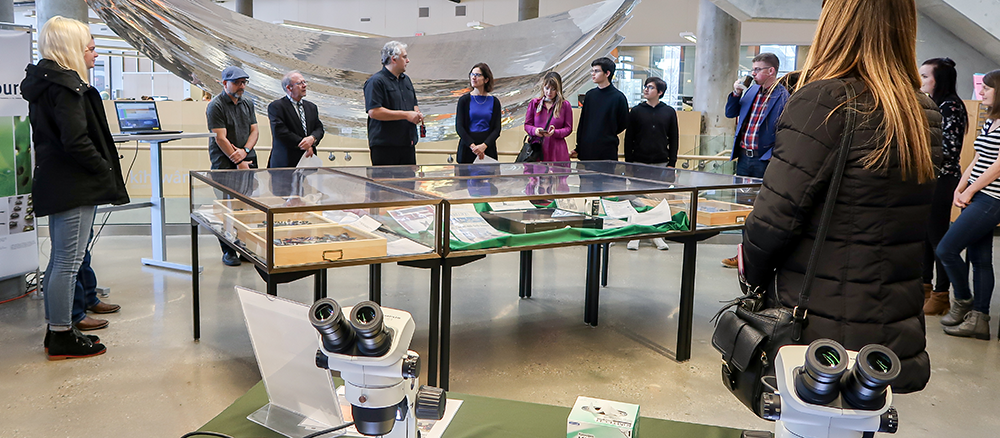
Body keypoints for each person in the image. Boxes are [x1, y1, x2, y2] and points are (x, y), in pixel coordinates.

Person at [741, 0, 941, 393]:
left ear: (834, 23)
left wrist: (752, 277)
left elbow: (772, 222)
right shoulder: (923, 112)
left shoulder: (825, 101)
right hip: (891, 322)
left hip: (819, 322)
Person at [20, 16, 129, 359]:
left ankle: (58, 329)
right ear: (71, 48)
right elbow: (77, 141)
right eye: (89, 46)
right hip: (75, 183)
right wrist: (103, 169)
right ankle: (62, 334)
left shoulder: (47, 84)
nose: (93, 52)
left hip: (58, 181)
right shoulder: (66, 87)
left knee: (61, 260)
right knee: (69, 261)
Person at [936, 70, 1000, 340]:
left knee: (946, 249)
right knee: (980, 259)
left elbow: (998, 167)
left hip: (992, 198)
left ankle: (962, 300)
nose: (981, 92)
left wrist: (971, 189)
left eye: (987, 88)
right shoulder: (990, 121)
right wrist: (960, 188)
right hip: (975, 194)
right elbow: (978, 158)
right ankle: (979, 319)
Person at [720, 52, 790, 268]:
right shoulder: (750, 92)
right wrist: (735, 93)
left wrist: (772, 157)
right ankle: (742, 255)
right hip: (744, 159)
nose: (753, 73)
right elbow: (730, 113)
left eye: (758, 69)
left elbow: (784, 130)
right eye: (752, 69)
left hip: (763, 161)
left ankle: (757, 257)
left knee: (762, 210)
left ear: (771, 71)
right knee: (743, 209)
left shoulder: (782, 96)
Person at [919, 58, 969, 315]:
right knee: (926, 236)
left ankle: (942, 293)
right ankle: (925, 287)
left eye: (926, 76)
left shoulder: (951, 106)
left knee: (938, 236)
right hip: (929, 176)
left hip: (943, 177)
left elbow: (948, 149)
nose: (921, 81)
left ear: (940, 80)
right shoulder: (934, 104)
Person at [206, 65, 259, 266]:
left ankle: (244, 247)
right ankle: (228, 250)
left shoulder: (248, 103)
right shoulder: (216, 105)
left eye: (243, 82)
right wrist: (238, 161)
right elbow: (220, 138)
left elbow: (255, 131)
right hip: (225, 165)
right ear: (224, 83)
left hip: (248, 159)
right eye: (237, 82)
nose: (241, 86)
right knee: (226, 210)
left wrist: (244, 152)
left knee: (247, 208)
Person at [624, 76, 678, 251]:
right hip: (639, 163)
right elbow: (629, 138)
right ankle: (636, 235)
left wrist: (672, 163)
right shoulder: (637, 111)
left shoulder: (669, 112)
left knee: (657, 202)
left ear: (660, 92)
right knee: (637, 201)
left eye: (650, 87)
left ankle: (657, 235)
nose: (646, 90)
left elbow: (674, 138)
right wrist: (629, 163)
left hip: (661, 163)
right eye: (645, 87)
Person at [364, 41, 423, 166]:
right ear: (393, 59)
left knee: (408, 184)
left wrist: (417, 114)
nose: (408, 61)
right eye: (404, 57)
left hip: (407, 144)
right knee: (385, 185)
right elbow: (374, 112)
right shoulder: (376, 82)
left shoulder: (406, 80)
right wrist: (406, 115)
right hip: (385, 147)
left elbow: (413, 104)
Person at [267, 70, 325, 168]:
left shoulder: (311, 107)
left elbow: (319, 128)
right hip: (285, 162)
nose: (304, 85)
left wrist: (312, 138)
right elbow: (281, 132)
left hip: (308, 160)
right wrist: (303, 144)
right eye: (299, 83)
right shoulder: (277, 106)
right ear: (289, 87)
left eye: (304, 82)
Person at [574, 57, 628, 161]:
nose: (592, 74)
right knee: (585, 176)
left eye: (596, 71)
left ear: (607, 73)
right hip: (587, 149)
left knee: (607, 177)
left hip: (607, 149)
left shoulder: (618, 97)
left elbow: (623, 123)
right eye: (592, 71)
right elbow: (583, 122)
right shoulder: (590, 95)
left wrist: (606, 133)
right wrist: (578, 146)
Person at [455, 63, 502, 163]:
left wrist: (484, 146)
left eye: (477, 75)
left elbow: (497, 129)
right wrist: (474, 147)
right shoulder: (464, 100)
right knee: (465, 178)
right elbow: (459, 127)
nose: (474, 77)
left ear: (486, 79)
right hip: (468, 147)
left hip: (487, 148)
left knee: (489, 177)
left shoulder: (494, 101)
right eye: (472, 74)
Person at [524, 72, 574, 162]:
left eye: (553, 89)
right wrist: (535, 131)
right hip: (538, 149)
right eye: (547, 88)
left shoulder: (565, 105)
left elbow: (568, 128)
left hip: (557, 150)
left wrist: (555, 132)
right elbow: (527, 125)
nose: (549, 92)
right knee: (536, 174)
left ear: (558, 90)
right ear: (543, 87)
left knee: (557, 175)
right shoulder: (535, 103)